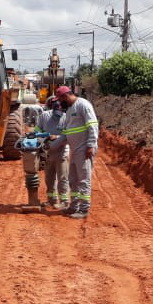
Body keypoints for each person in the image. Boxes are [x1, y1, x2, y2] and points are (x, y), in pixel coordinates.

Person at [55, 86, 99, 219]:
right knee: (73, 179)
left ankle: (84, 209)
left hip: (84, 148)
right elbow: (68, 131)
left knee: (84, 179)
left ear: (65, 96)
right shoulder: (69, 110)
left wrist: (90, 145)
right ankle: (74, 206)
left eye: (60, 99)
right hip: (75, 149)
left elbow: (93, 125)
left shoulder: (83, 105)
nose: (59, 103)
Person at [37, 98, 69, 209]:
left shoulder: (66, 118)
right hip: (48, 152)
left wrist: (57, 137)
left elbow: (69, 135)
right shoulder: (44, 116)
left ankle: (64, 201)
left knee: (62, 177)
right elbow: (37, 131)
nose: (58, 115)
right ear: (52, 109)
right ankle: (52, 200)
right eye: (56, 113)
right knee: (49, 178)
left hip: (62, 152)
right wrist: (43, 137)